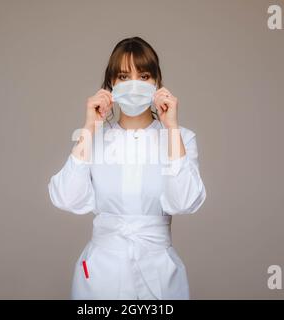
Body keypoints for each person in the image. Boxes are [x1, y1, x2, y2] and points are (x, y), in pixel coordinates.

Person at [48, 36, 207, 299]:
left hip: (159, 275)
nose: (134, 85)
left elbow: (184, 202)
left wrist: (171, 129)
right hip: (101, 274)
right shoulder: (94, 139)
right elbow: (65, 197)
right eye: (123, 76)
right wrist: (89, 128)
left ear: (157, 83)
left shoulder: (180, 137)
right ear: (111, 85)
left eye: (143, 76)